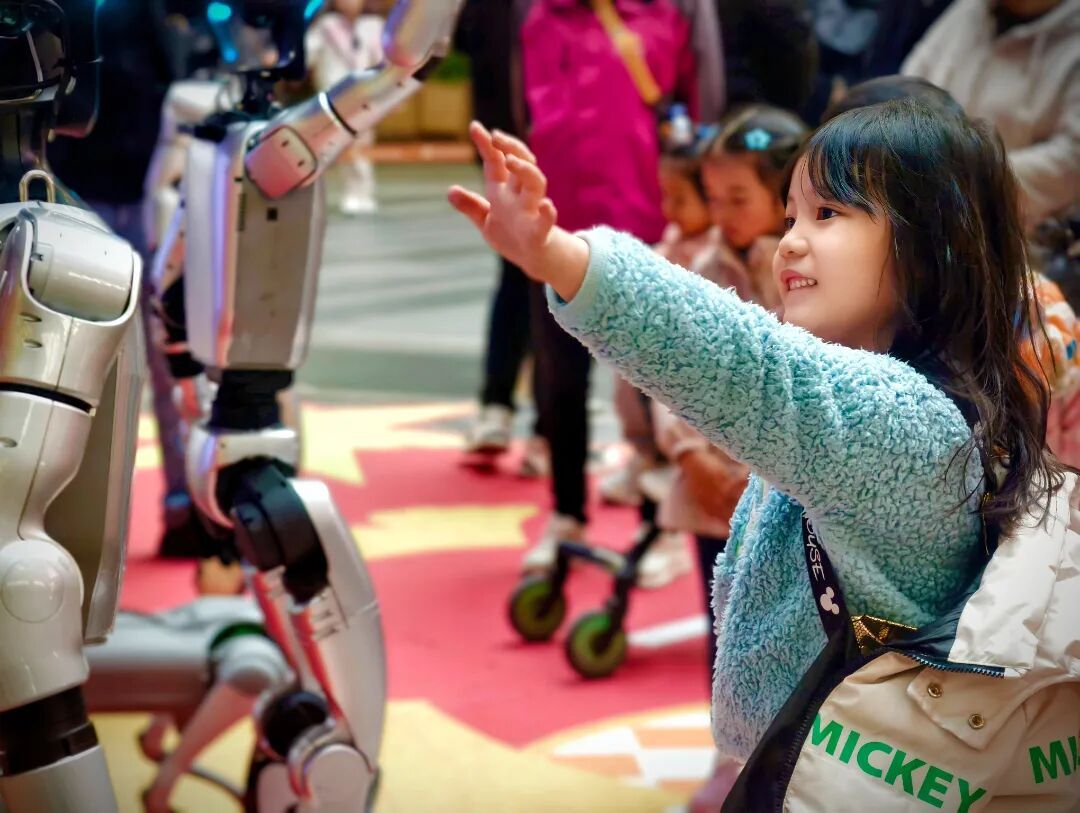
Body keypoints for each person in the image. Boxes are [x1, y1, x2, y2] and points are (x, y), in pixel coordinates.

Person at [449, 95, 1076, 802]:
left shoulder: (908, 424)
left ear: (930, 245)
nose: (791, 243)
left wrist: (558, 257)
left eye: (828, 213)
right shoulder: (899, 400)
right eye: (790, 217)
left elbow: (745, 363)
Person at [517, 0, 698, 573]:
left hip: (642, 224)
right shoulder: (541, 18)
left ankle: (658, 522)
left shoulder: (663, 15)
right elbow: (520, 114)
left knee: (652, 382)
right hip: (556, 224)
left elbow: (693, 109)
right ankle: (566, 512)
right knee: (559, 378)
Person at [902, 0, 1080, 228]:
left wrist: (956, 177)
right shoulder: (970, 7)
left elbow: (1072, 159)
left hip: (1020, 232)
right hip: (920, 206)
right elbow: (909, 84)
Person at [305, 0, 385, 214]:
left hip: (364, 94)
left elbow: (382, 60)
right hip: (334, 96)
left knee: (362, 144)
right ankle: (351, 192)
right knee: (338, 144)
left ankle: (364, 192)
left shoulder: (373, 25)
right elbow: (309, 54)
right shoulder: (327, 25)